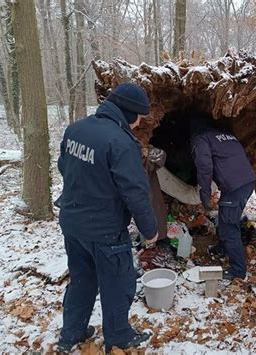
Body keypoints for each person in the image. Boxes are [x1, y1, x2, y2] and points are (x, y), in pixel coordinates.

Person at [56, 83, 158, 353]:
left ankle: (71, 334)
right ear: (130, 113)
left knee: (82, 279)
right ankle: (119, 337)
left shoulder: (76, 129)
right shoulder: (121, 143)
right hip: (105, 231)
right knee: (119, 284)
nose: (139, 124)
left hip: (73, 223)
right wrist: (150, 231)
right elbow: (135, 194)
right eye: (140, 118)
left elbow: (64, 167)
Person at [190, 113, 256, 281]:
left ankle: (238, 271)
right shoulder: (227, 136)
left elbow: (204, 167)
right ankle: (223, 248)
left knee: (228, 227)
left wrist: (204, 196)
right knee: (227, 218)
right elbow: (245, 157)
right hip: (248, 181)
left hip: (234, 187)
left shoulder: (201, 138)